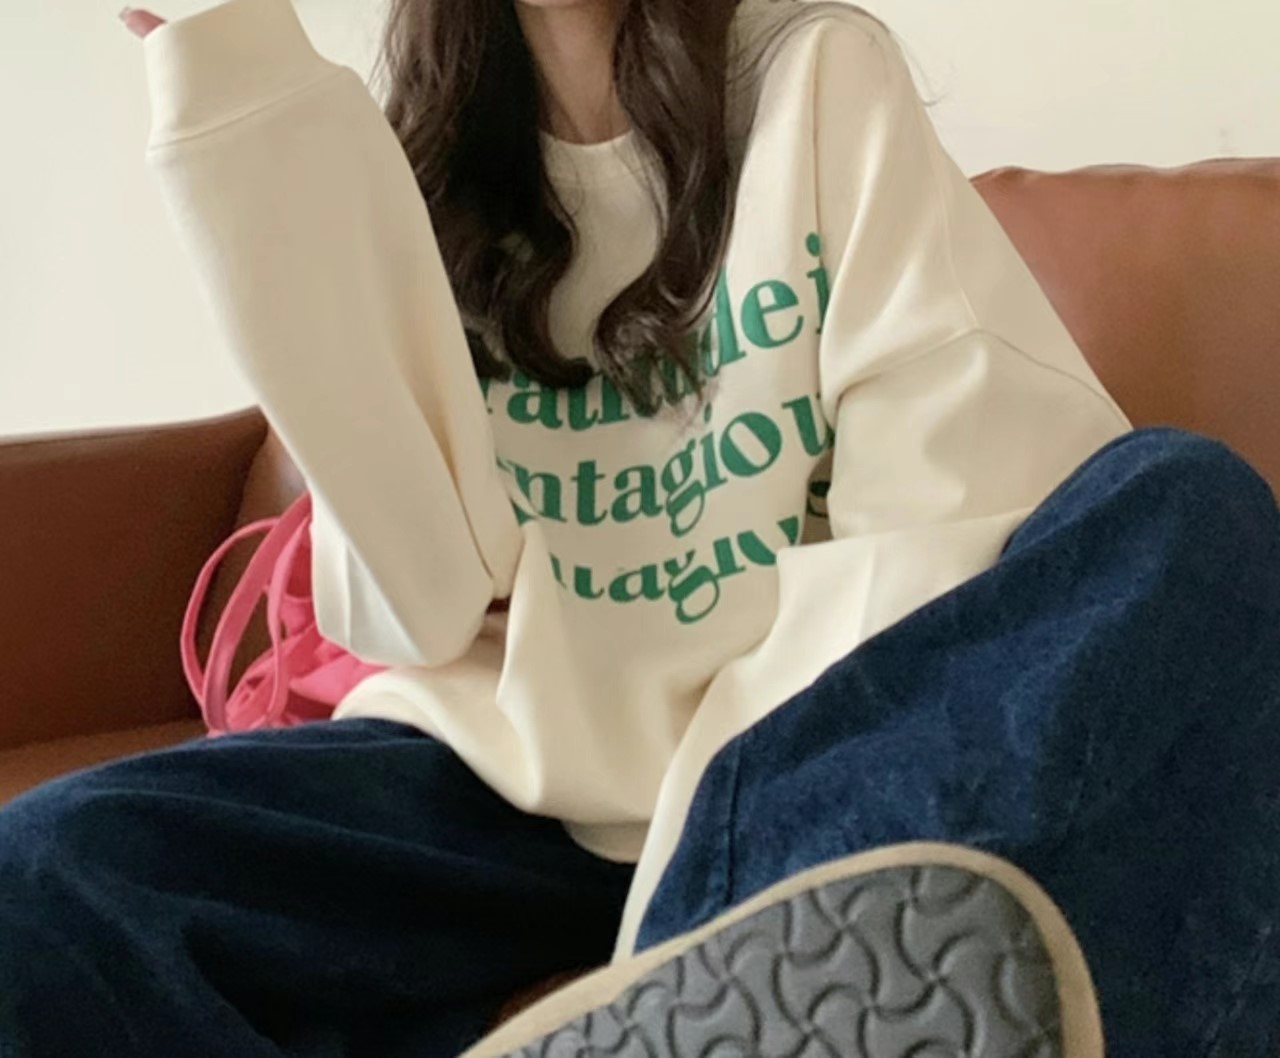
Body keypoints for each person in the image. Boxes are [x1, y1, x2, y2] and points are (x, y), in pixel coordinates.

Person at [1, 0, 1276, 1054]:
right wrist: (250, 134)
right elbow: (420, 604)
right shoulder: (399, 158)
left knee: (1186, 504)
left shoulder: (816, 75)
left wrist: (722, 841)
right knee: (49, 874)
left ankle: (716, 990)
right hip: (489, 776)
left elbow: (941, 527)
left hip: (810, 768)